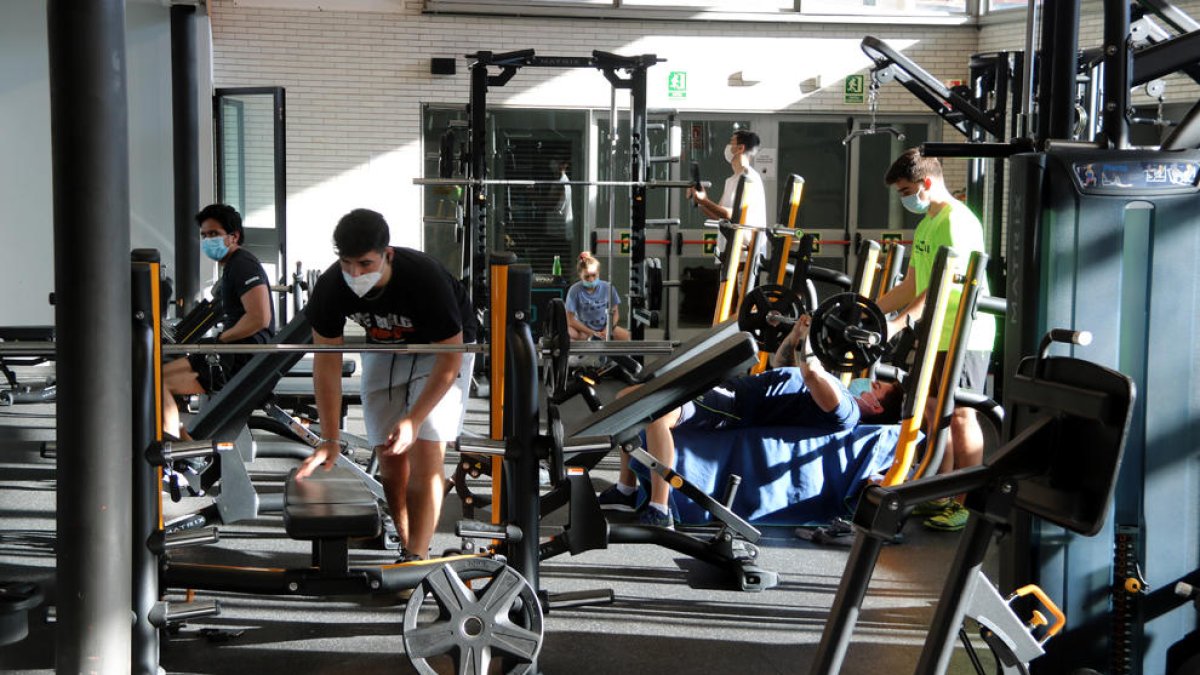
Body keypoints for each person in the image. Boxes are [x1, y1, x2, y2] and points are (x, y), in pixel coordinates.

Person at [596, 316, 904, 528]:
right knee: (628, 397)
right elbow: (781, 364)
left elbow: (810, 372)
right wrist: (796, 336)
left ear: (876, 407)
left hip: (736, 405)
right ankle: (626, 488)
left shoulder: (847, 410)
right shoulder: (839, 385)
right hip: (735, 386)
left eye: (877, 388)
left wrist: (810, 345)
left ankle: (660, 510)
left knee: (656, 413)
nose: (870, 382)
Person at [296, 208, 477, 561]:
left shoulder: (424, 278)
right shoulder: (332, 288)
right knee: (391, 459)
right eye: (347, 263)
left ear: (387, 254)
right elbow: (326, 361)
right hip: (386, 344)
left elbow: (449, 360)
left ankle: (416, 557)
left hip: (442, 350)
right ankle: (405, 541)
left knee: (425, 448)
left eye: (364, 264)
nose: (355, 273)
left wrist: (414, 418)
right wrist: (330, 438)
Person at [876, 148, 997, 532]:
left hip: (965, 332)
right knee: (930, 412)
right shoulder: (927, 222)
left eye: (907, 190)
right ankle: (937, 493)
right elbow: (914, 283)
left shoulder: (957, 222)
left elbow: (943, 287)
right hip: (934, 332)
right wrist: (871, 311)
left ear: (926, 183)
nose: (905, 198)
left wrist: (899, 323)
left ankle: (966, 502)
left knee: (961, 416)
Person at [162, 204, 275, 439]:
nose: (207, 240)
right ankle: (184, 443)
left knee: (158, 382)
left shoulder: (243, 265)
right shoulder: (234, 265)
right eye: (204, 235)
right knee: (158, 378)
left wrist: (221, 340)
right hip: (233, 354)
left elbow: (259, 317)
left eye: (213, 234)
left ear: (233, 237)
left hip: (241, 360)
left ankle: (179, 452)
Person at [687, 129, 769, 274]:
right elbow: (720, 216)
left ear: (740, 148)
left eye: (731, 142)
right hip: (728, 254)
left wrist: (705, 201)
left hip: (743, 257)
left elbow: (734, 215)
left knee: (739, 297)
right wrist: (699, 200)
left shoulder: (749, 178)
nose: (727, 147)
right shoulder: (731, 180)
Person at [564, 252, 629, 341]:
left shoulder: (608, 288)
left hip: (605, 328)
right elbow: (570, 320)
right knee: (567, 333)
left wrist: (606, 330)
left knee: (628, 337)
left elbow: (615, 314)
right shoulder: (574, 290)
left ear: (598, 273)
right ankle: (577, 353)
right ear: (580, 276)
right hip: (583, 330)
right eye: (587, 277)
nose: (591, 280)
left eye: (594, 275)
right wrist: (592, 333)